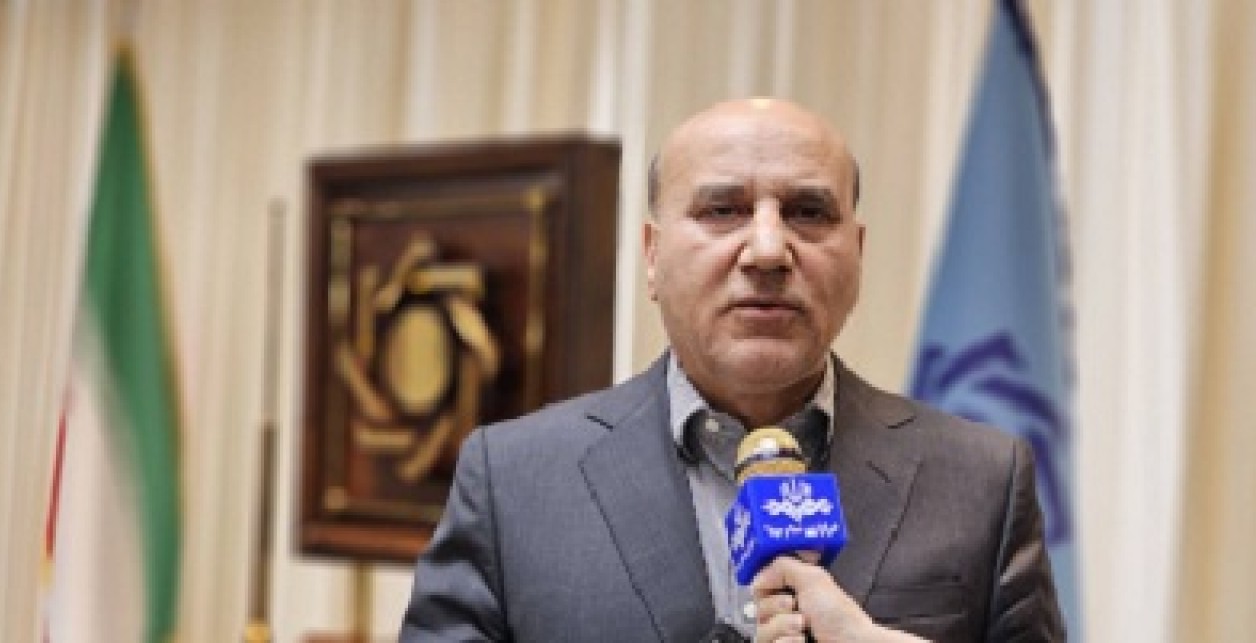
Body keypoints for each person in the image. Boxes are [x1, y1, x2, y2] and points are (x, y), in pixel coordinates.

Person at [400, 98, 1064, 642]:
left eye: (808, 212)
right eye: (723, 210)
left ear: (857, 254)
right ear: (652, 256)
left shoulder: (981, 481)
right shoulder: (513, 483)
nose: (768, 250)